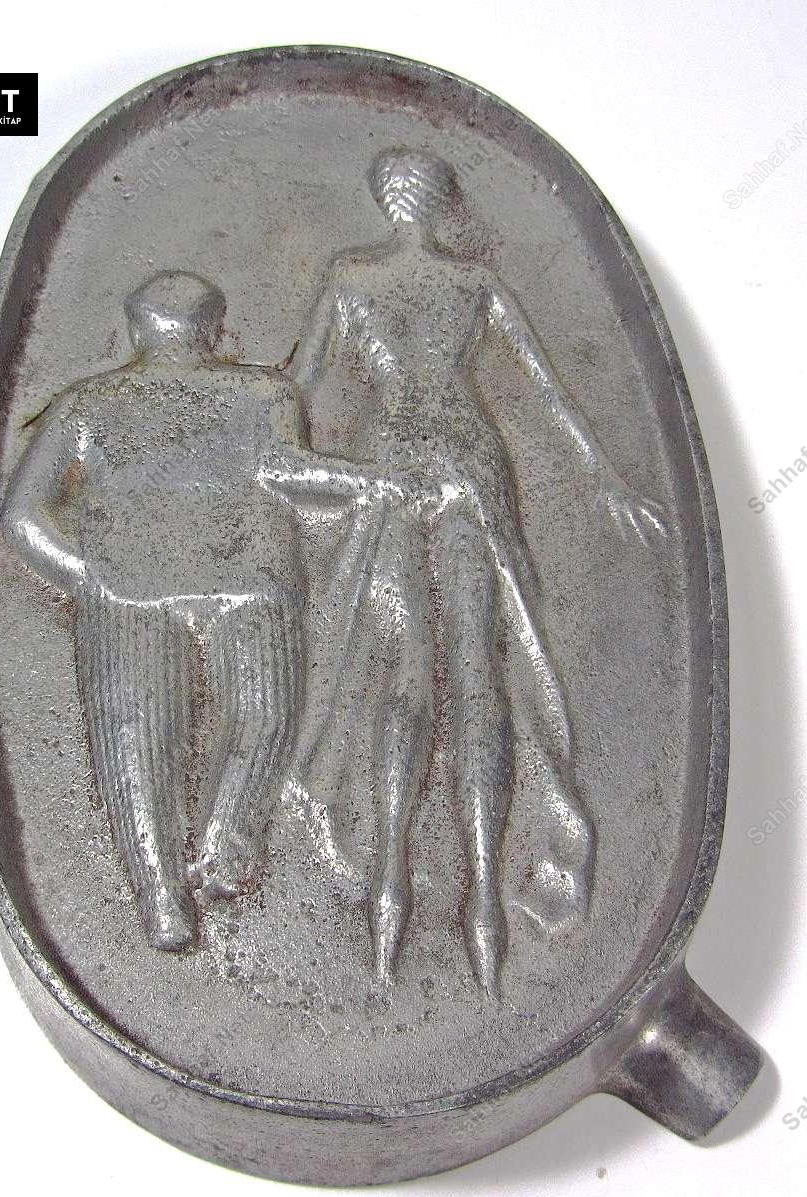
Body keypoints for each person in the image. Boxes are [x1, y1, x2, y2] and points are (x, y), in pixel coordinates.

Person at [279, 148, 667, 996]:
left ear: (387, 202)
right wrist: (602, 472)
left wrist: (270, 467)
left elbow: (293, 395)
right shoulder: (474, 281)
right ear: (440, 203)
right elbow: (546, 389)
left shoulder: (352, 277)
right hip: (471, 456)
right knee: (479, 668)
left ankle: (391, 888)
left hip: (392, 458)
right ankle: (484, 901)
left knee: (407, 671)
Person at [3, 270, 333, 952]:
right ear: (215, 329)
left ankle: (161, 896)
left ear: (137, 329)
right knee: (265, 714)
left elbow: (23, 515)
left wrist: (95, 575)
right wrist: (373, 484)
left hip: (135, 586)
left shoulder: (89, 403)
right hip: (249, 579)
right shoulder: (267, 393)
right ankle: (224, 843)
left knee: (135, 742)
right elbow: (288, 473)